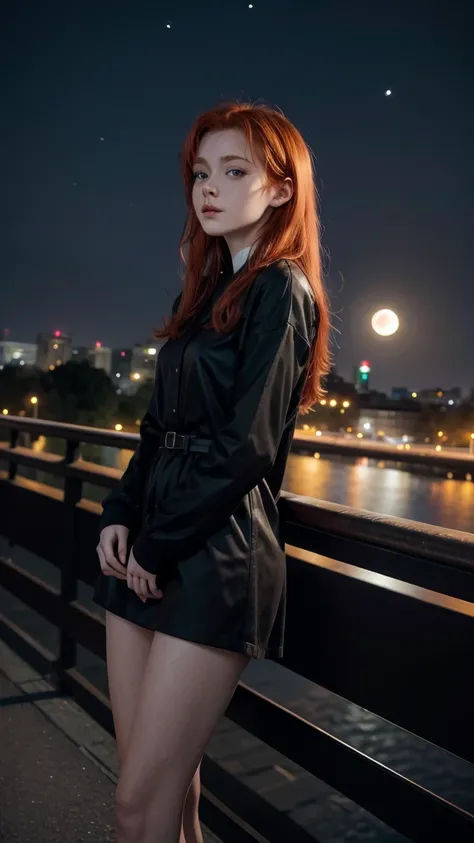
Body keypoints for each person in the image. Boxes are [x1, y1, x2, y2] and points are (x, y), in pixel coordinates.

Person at [93, 101, 330, 843]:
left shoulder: (281, 290)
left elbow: (249, 445)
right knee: (166, 792)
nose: (210, 187)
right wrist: (120, 513)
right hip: (153, 541)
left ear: (282, 188)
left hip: (216, 555)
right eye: (201, 172)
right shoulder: (198, 297)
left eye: (235, 171)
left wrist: (159, 545)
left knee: (140, 804)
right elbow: (158, 429)